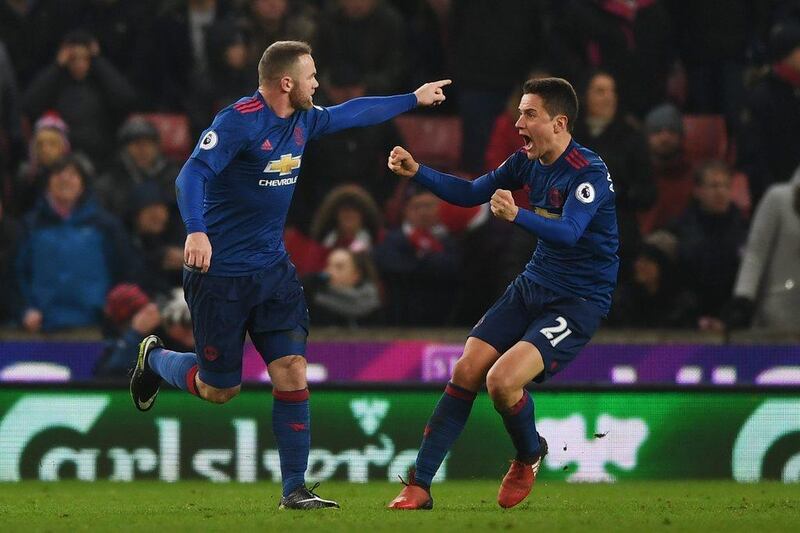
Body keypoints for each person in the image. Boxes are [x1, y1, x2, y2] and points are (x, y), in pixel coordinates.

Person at [128, 40, 450, 510]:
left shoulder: (305, 119)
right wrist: (197, 233)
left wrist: (412, 99)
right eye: (311, 75)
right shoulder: (238, 121)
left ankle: (294, 489)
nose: (317, 83)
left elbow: (354, 112)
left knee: (292, 369)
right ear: (286, 83)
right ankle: (155, 359)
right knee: (220, 389)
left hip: (272, 271)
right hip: (220, 275)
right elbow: (190, 176)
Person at [385, 78, 618, 510]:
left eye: (529, 115)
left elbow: (569, 233)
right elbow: (472, 192)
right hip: (534, 283)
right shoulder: (527, 161)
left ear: (559, 122)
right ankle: (419, 485)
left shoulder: (589, 173)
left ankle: (529, 453)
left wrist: (517, 215)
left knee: (502, 382)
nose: (518, 123)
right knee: (468, 367)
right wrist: (419, 171)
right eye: (519, 114)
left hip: (578, 300)